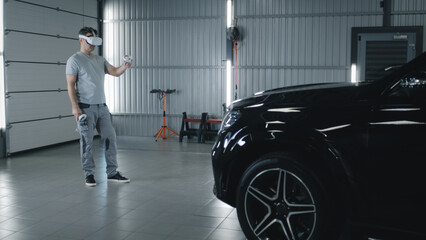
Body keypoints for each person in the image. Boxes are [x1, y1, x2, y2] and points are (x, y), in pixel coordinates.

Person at [66, 27, 131, 187]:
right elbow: (70, 85)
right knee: (87, 142)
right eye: (89, 39)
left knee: (111, 139)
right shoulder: (74, 60)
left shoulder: (100, 59)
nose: (93, 43)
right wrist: (75, 107)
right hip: (85, 108)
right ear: (81, 40)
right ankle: (89, 174)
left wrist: (125, 66)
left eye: (95, 39)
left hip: (102, 108)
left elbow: (115, 72)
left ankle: (112, 173)